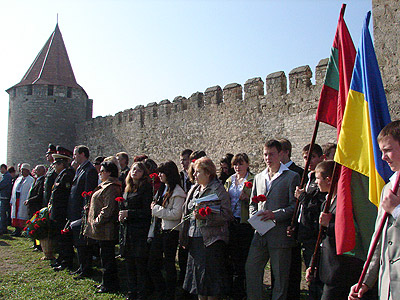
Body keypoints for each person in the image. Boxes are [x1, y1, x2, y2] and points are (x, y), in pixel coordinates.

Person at [306, 161, 372, 300]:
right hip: (326, 267)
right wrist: (314, 262)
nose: (316, 182)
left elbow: (349, 231)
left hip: (340, 269)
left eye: (318, 179)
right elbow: (321, 239)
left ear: (328, 180)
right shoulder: (326, 202)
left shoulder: (344, 205)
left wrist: (329, 224)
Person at [349, 120, 400, 300]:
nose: (383, 157)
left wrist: (397, 211)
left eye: (388, 150)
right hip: (388, 284)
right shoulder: (388, 188)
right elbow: (379, 238)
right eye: (381, 152)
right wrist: (366, 280)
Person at [245, 139, 300, 300]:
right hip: (260, 233)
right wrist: (253, 218)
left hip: (279, 235)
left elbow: (294, 207)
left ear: (280, 154)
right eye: (265, 154)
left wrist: (275, 214)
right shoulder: (259, 177)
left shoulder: (291, 176)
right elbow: (252, 202)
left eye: (271, 154)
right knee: (251, 269)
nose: (268, 158)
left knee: (280, 277)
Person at [180, 156, 232, 300]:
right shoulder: (194, 189)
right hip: (195, 239)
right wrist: (184, 237)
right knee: (199, 283)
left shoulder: (218, 189)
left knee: (211, 283)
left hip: (211, 241)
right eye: (194, 172)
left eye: (198, 172)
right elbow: (185, 213)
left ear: (208, 173)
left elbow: (227, 214)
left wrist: (206, 217)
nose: (194, 175)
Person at [148, 161, 186, 300]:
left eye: (161, 173)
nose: (159, 175)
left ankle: (169, 293)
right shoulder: (163, 188)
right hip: (160, 229)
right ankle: (160, 289)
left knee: (169, 263)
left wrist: (156, 210)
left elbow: (176, 214)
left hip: (171, 230)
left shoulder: (177, 192)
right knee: (153, 262)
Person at [83, 161, 122, 294]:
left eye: (102, 171)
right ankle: (106, 282)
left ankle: (109, 284)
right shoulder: (105, 185)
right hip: (101, 228)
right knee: (104, 256)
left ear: (109, 172)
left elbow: (109, 208)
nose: (100, 173)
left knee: (107, 258)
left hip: (106, 228)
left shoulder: (111, 187)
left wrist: (97, 221)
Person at [119, 162, 153, 300]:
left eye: (138, 170)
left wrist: (129, 213)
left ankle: (142, 293)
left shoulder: (145, 188)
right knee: (129, 264)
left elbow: (146, 212)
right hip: (128, 230)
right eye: (133, 169)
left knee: (139, 264)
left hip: (139, 231)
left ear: (143, 173)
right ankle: (131, 291)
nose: (135, 172)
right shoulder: (128, 188)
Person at [224, 153, 254, 300]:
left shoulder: (252, 180)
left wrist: (248, 199)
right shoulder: (230, 180)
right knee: (232, 256)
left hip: (245, 223)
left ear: (247, 164)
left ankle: (242, 291)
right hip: (232, 221)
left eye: (240, 164)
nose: (237, 167)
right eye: (235, 164)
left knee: (243, 258)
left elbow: (258, 200)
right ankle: (233, 290)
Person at [67, 145, 99, 279]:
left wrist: (84, 210)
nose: (74, 157)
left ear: (82, 154)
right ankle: (81, 267)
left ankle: (86, 268)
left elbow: (88, 192)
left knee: (83, 242)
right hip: (74, 210)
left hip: (82, 211)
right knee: (78, 242)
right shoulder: (80, 169)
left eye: (75, 154)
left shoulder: (89, 170)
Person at [279, 138, 304, 300]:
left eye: (277, 152)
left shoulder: (299, 172)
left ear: (286, 152)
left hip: (291, 224)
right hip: (276, 225)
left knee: (293, 266)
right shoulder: (274, 172)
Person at [49, 148, 75, 271]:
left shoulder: (67, 175)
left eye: (56, 163)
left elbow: (66, 195)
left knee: (64, 239)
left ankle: (66, 261)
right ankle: (61, 258)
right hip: (57, 212)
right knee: (60, 238)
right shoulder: (60, 175)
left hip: (62, 212)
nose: (54, 166)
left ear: (61, 164)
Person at [10, 163, 34, 237]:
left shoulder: (31, 180)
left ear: (27, 171)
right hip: (16, 198)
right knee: (16, 214)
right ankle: (16, 229)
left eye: (23, 170)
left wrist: (27, 199)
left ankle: (21, 230)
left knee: (22, 214)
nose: (22, 172)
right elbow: (13, 189)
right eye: (21, 170)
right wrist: (11, 200)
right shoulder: (18, 179)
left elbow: (30, 191)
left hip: (23, 199)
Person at [0, 164, 13, 235]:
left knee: (2, 214)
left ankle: (2, 229)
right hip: (3, 196)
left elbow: (2, 185)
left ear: (3, 168)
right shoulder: (6, 176)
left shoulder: (7, 176)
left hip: (5, 197)